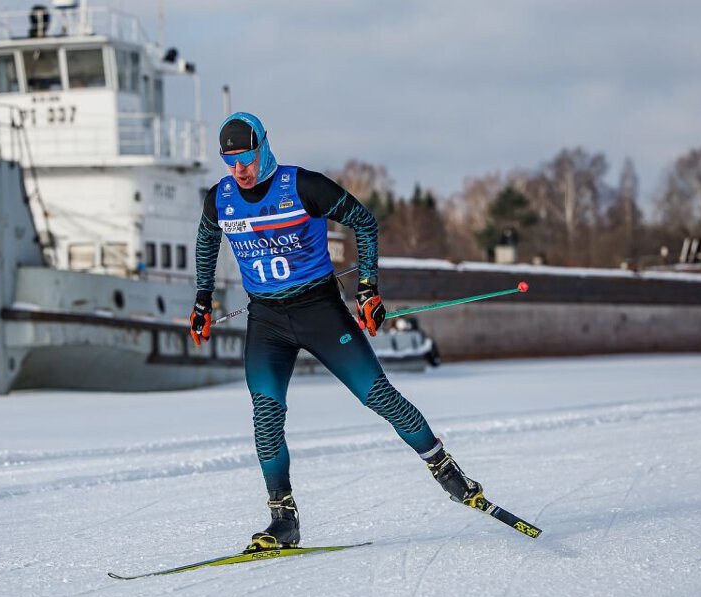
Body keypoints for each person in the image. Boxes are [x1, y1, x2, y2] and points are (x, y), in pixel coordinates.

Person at [190, 112, 483, 552]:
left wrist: (368, 290)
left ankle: (446, 470)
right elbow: (207, 239)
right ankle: (282, 521)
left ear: (264, 148)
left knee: (377, 395)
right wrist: (201, 297)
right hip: (267, 321)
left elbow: (364, 222)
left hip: (319, 311)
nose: (239, 170)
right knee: (266, 416)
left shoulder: (303, 186)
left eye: (246, 158)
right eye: (229, 161)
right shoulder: (221, 198)